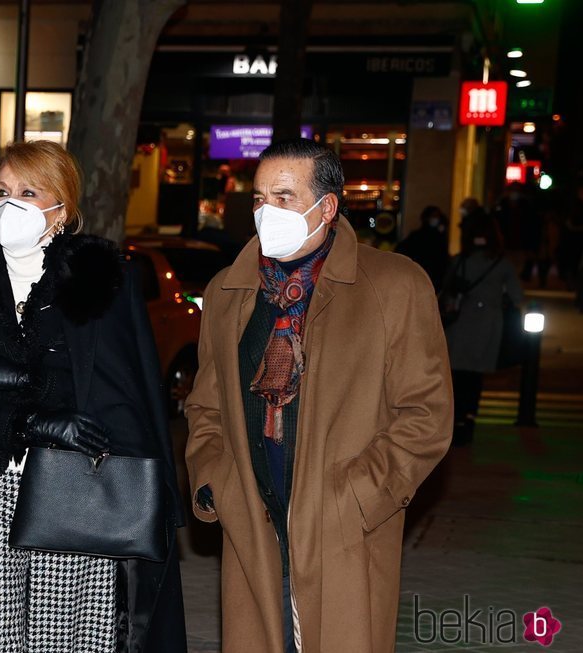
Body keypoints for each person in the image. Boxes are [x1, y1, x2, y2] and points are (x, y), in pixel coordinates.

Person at [185, 138, 452, 653]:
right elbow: (205, 406)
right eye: (260, 198)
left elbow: (426, 414)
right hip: (254, 524)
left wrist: (356, 498)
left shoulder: (394, 286)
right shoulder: (227, 291)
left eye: (285, 197)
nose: (267, 211)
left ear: (326, 207)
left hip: (344, 530)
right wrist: (217, 481)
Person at [0, 140, 186, 653]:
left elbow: (117, 396)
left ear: (61, 208)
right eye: (1, 191)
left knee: (63, 640)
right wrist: (27, 423)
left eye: (28, 191)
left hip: (73, 494)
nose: (9, 203)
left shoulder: (101, 281)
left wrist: (32, 390)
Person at [442, 214, 523, 445]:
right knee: (475, 374)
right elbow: (517, 296)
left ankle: (455, 419)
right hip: (488, 322)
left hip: (461, 320)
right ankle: (469, 418)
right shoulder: (501, 263)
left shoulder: (460, 260)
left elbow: (446, 287)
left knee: (457, 373)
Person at [395, 205, 450, 290]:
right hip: (421, 276)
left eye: (437, 216)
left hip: (432, 278)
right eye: (433, 216)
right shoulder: (418, 236)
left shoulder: (439, 237)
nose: (435, 219)